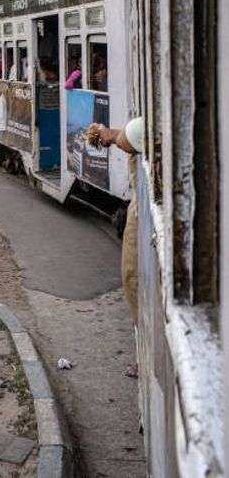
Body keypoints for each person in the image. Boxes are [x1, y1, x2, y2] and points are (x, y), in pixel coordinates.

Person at [88, 116, 144, 376]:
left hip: (144, 207)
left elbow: (131, 136)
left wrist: (108, 134)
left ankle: (148, 355)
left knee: (133, 277)